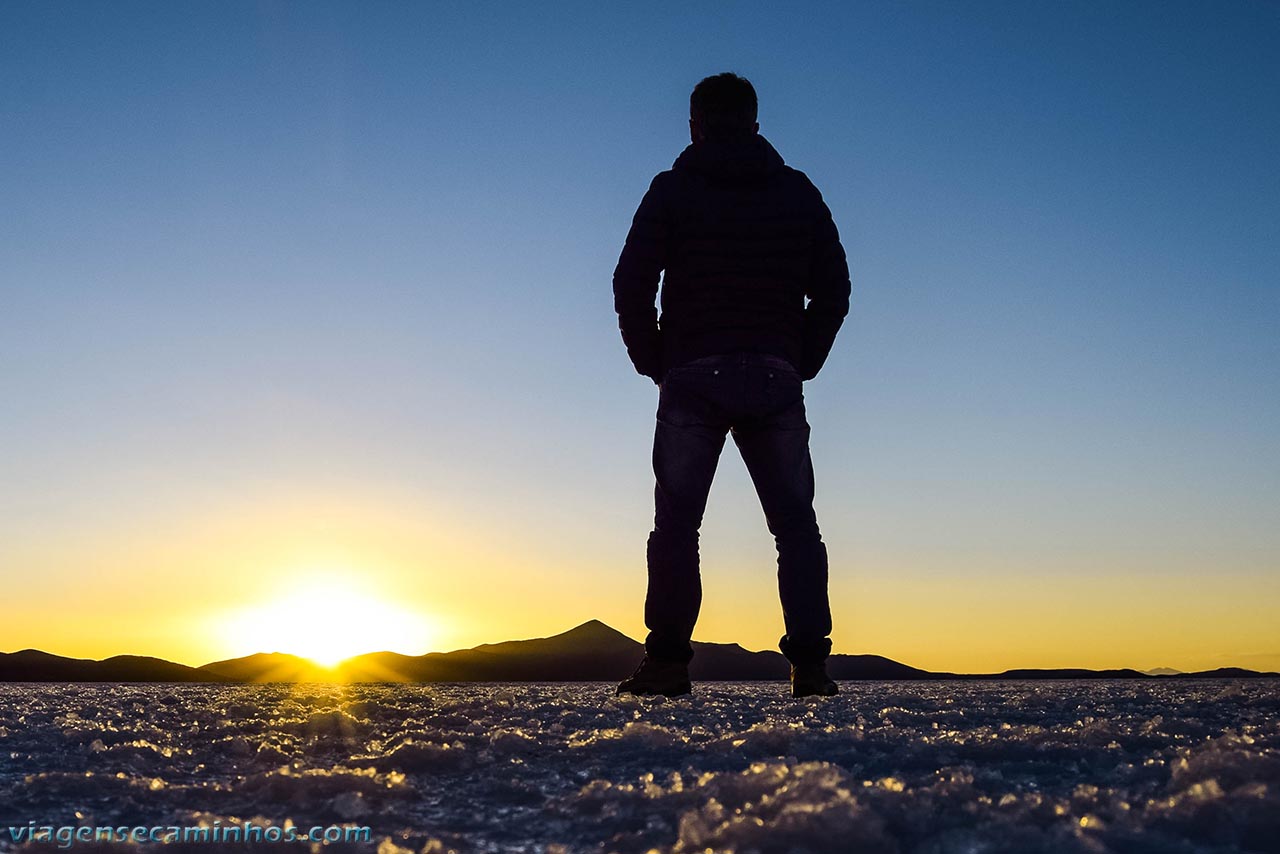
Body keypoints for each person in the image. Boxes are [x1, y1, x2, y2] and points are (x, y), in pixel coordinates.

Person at [612, 73, 851, 698]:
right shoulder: (798, 193)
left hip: (693, 372)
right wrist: (800, 357)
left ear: (694, 124)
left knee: (676, 524)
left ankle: (665, 663)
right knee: (795, 525)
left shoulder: (673, 190)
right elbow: (834, 289)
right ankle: (811, 667)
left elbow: (631, 282)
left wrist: (655, 359)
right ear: (754, 121)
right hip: (772, 374)